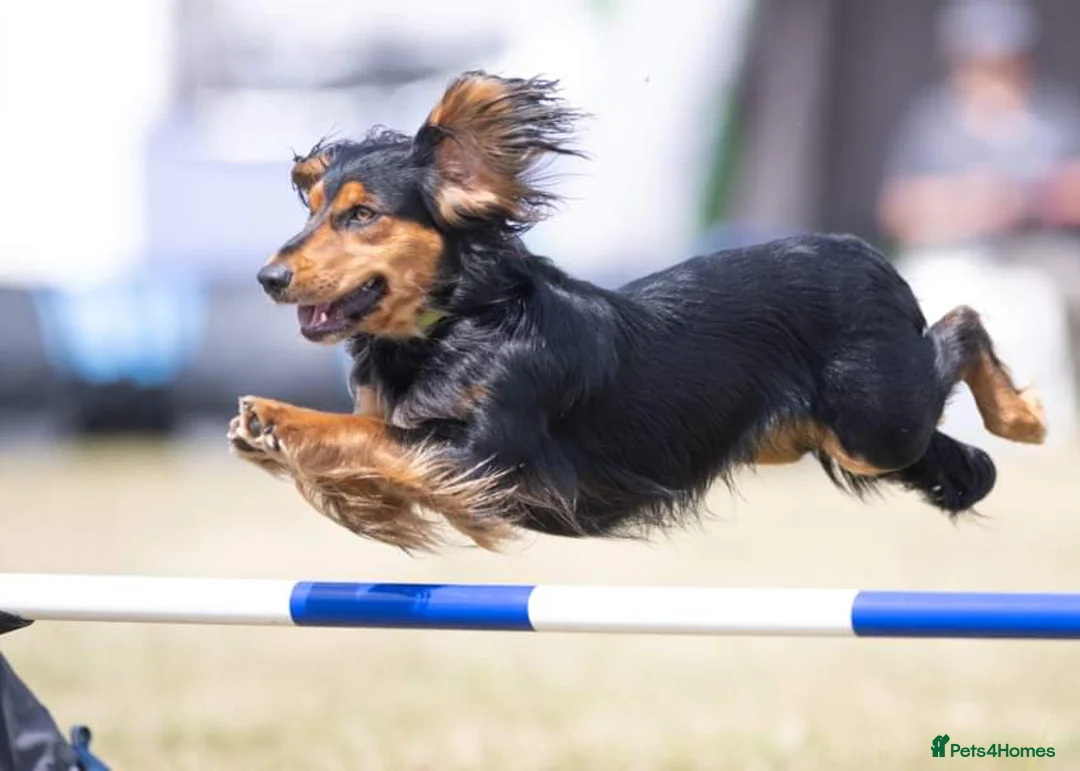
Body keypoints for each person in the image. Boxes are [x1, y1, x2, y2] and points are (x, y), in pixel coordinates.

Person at [878, 0, 1080, 450]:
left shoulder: (1054, 115)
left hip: (1038, 252)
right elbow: (898, 210)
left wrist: (1035, 194)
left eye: (1006, 60)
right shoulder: (933, 120)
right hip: (955, 257)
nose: (995, 72)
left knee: (1055, 297)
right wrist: (971, 202)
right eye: (982, 60)